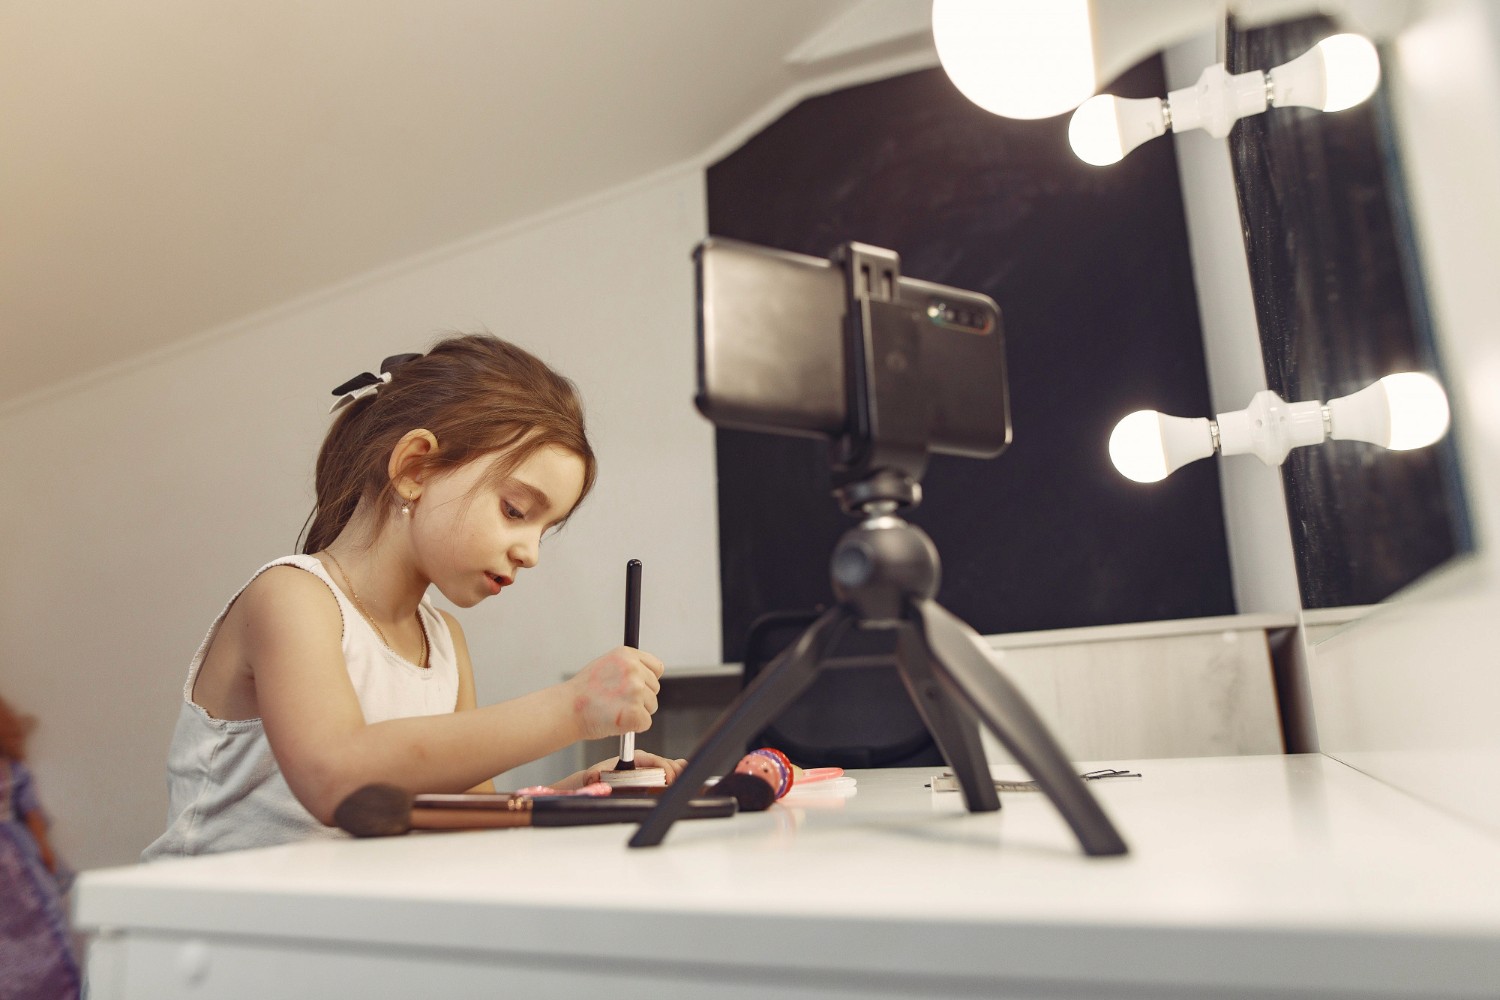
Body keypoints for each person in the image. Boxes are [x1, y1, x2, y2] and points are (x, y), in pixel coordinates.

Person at [143, 333, 684, 859]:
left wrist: (581, 793)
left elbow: (465, 821)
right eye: (516, 511)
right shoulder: (291, 598)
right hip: (207, 931)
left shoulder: (444, 640)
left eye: (545, 530)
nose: (530, 553)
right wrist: (573, 708)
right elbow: (338, 779)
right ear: (414, 469)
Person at [0, 694, 81, 1000]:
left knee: (31, 921)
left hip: (11, 859)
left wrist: (44, 849)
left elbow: (31, 812)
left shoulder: (11, 771)